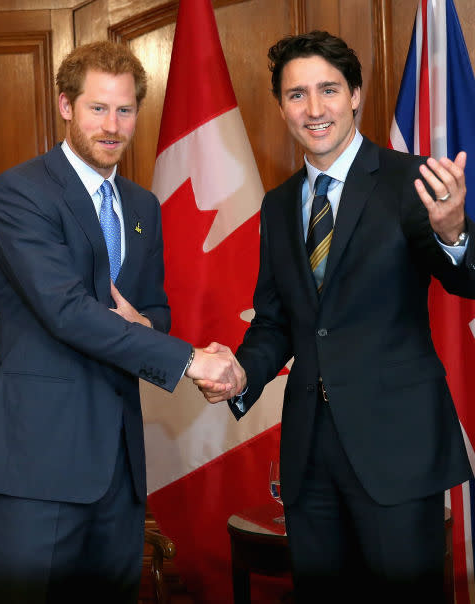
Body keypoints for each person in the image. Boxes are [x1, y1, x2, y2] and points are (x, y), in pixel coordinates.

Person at [198, 30, 475, 602]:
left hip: (396, 448)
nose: (315, 108)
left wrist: (455, 232)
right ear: (280, 107)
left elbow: (465, 279)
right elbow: (277, 321)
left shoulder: (413, 180)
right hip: (309, 458)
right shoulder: (277, 206)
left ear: (355, 94)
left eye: (329, 90)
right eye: (297, 95)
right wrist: (244, 373)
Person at [0, 40, 244, 604]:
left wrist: (150, 330)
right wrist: (191, 359)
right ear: (65, 106)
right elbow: (64, 310)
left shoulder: (140, 206)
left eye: (125, 110)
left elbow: (151, 310)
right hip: (42, 465)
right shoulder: (20, 192)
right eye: (97, 108)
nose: (112, 125)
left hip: (120, 470)